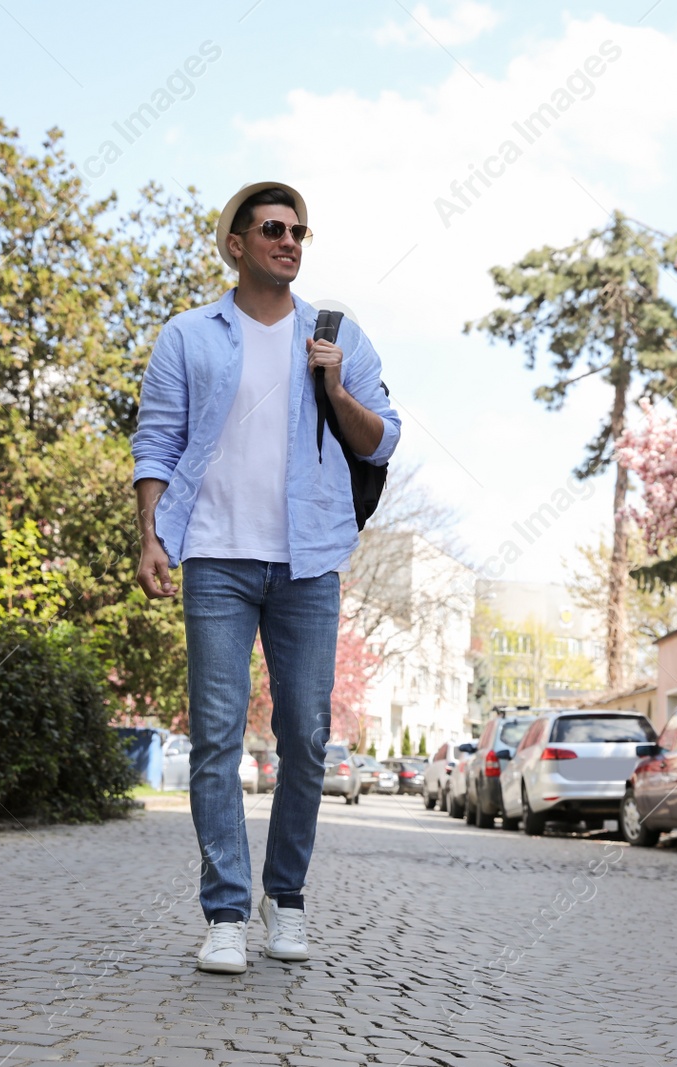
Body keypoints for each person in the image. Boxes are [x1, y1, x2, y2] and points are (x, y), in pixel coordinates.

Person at [130, 181, 400, 974]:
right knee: (216, 738)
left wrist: (336, 385)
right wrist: (151, 535)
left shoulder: (337, 333)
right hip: (214, 554)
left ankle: (286, 897)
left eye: (299, 231)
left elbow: (380, 441)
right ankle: (224, 910)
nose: (290, 240)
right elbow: (157, 440)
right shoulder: (188, 335)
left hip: (308, 559)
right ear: (237, 244)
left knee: (307, 740)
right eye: (273, 229)